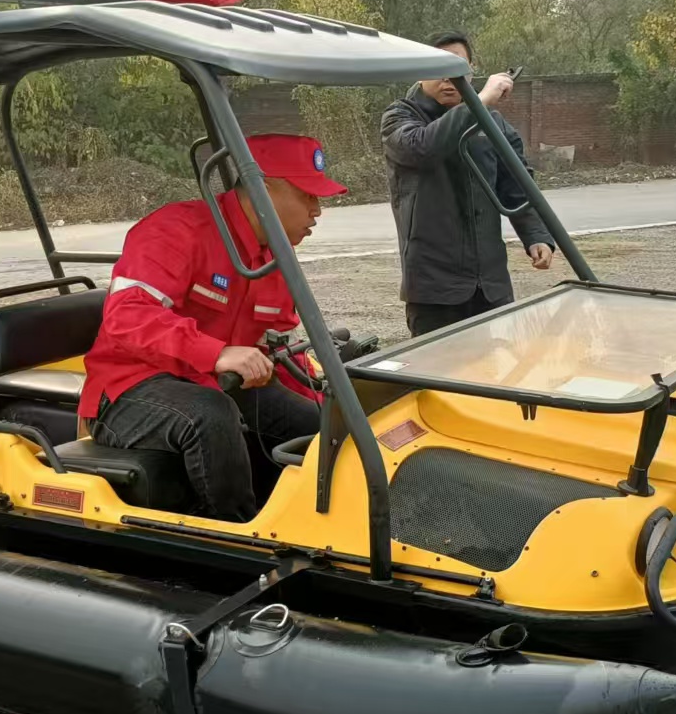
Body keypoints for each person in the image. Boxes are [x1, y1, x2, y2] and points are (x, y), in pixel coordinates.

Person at [80, 133, 346, 523]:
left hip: (215, 383)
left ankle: (326, 522)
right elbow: (127, 316)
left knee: (317, 427)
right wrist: (216, 352)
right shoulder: (176, 230)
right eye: (308, 196)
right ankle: (236, 538)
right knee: (211, 414)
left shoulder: (273, 258)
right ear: (261, 190)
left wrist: (332, 404)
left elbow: (276, 350)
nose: (317, 210)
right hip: (129, 389)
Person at [381, 30, 558, 336]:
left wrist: (537, 236)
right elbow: (423, 148)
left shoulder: (493, 123)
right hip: (435, 290)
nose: (449, 78)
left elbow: (516, 185)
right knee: (439, 378)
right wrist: (481, 102)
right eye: (438, 68)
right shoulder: (400, 117)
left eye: (458, 68)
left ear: (471, 70)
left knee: (493, 375)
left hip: (491, 285)